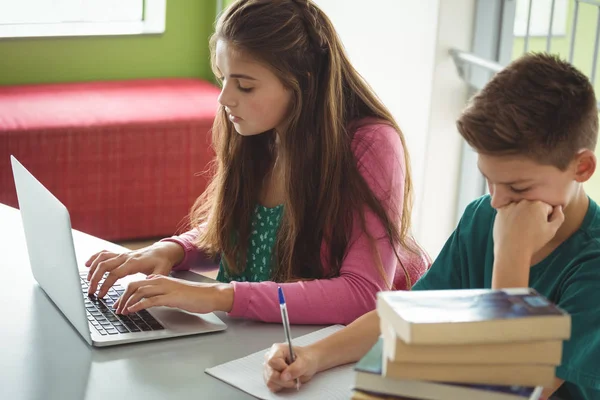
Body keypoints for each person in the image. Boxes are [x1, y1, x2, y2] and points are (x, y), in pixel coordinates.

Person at [263, 53, 600, 399]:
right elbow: (410, 316)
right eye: (488, 179)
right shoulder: (484, 216)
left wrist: (510, 257)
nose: (498, 201)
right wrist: (314, 354)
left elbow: (513, 392)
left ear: (582, 168)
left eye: (518, 188)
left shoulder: (592, 263)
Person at [84, 0, 428, 325]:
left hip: (331, 350)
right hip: (256, 337)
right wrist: (172, 250)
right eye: (222, 78)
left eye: (245, 86)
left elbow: (364, 293)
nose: (224, 98)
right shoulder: (259, 130)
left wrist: (220, 296)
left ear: (302, 85)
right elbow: (243, 234)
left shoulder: (371, 144)